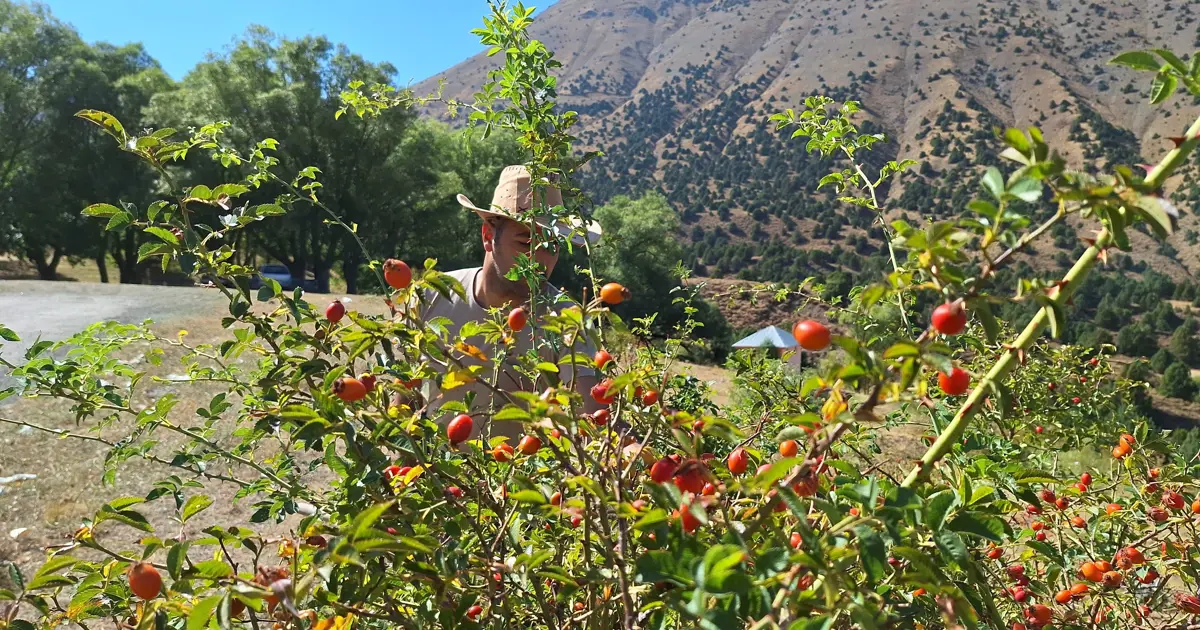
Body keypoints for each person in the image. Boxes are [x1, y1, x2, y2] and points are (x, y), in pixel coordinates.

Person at [398, 165, 604, 440]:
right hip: (434, 466)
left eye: (552, 246)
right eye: (525, 243)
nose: (539, 260)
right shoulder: (431, 296)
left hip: (518, 468)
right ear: (487, 237)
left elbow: (593, 416)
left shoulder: (568, 320)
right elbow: (404, 399)